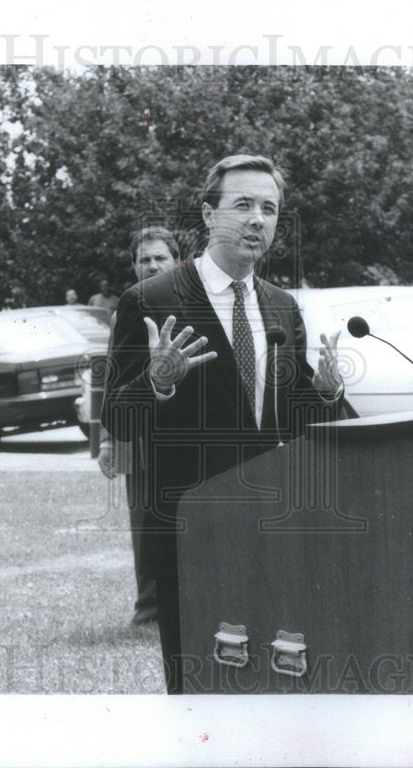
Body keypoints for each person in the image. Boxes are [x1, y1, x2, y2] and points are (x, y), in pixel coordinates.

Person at [102, 154, 344, 693]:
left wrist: (326, 394)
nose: (258, 220)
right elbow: (117, 416)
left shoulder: (282, 307)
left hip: (272, 528)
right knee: (200, 691)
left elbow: (298, 416)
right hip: (192, 531)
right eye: (243, 206)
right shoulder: (151, 299)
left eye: (270, 208)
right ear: (209, 216)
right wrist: (158, 381)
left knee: (268, 683)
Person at [97, 226, 182, 626]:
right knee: (145, 523)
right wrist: (109, 441)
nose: (151, 265)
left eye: (159, 258)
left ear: (176, 261)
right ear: (133, 266)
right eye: (144, 259)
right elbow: (112, 382)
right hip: (137, 434)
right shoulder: (126, 312)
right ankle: (149, 608)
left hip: (182, 432)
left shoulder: (192, 306)